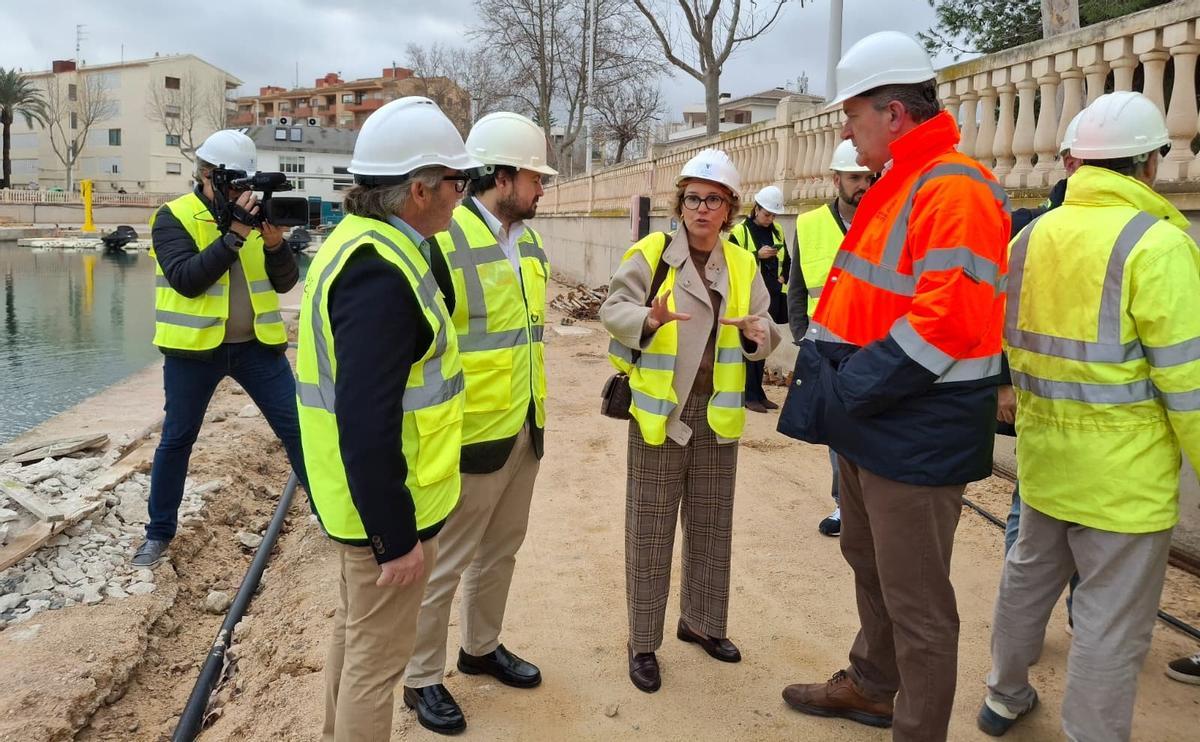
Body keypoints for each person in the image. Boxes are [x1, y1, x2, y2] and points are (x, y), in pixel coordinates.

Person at [777, 31, 1009, 741]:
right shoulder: (901, 181)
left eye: (853, 114)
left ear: (896, 113)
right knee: (868, 561)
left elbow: (946, 320)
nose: (845, 129)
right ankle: (875, 686)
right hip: (875, 418)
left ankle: (914, 726)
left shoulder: (955, 188)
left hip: (915, 426)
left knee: (918, 604)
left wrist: (852, 387)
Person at [978, 91, 1200, 740]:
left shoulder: (1032, 236)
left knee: (1026, 580)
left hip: (1047, 461)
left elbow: (1009, 342)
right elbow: (1188, 380)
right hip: (1124, 484)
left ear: (1077, 160)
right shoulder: (1157, 245)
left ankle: (1003, 695)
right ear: (1150, 164)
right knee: (1110, 624)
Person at [294, 96, 480, 742]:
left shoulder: (371, 245)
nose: (465, 194)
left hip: (359, 504)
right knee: (377, 669)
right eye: (459, 182)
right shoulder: (377, 272)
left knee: (356, 642)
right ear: (420, 190)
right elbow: (366, 425)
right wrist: (395, 538)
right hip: (382, 509)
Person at [601, 148, 780, 694]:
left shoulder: (743, 264)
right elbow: (613, 309)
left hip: (716, 414)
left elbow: (766, 325)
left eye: (714, 200)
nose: (702, 209)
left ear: (729, 209)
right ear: (681, 205)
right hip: (661, 412)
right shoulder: (653, 252)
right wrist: (647, 319)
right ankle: (643, 642)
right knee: (650, 530)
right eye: (694, 199)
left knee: (711, 526)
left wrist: (759, 337)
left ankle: (702, 622)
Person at [402, 112, 556, 735]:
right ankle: (420, 679)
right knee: (446, 564)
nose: (542, 189)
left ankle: (481, 648)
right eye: (533, 177)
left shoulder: (531, 243)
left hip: (524, 426)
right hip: (468, 440)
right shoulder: (442, 242)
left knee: (501, 551)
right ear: (500, 175)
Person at [133, 129, 307, 568]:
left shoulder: (252, 216)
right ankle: (158, 534)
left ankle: (332, 516)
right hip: (193, 353)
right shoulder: (173, 217)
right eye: (232, 184)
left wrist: (273, 244)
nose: (240, 193)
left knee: (300, 431)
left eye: (245, 185)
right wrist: (233, 235)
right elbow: (186, 280)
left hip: (258, 348)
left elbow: (286, 282)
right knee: (176, 440)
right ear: (207, 175)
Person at [786, 139, 873, 537]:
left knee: (873, 430)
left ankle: (870, 506)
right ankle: (845, 506)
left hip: (876, 346)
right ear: (835, 179)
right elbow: (798, 286)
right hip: (827, 347)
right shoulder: (810, 224)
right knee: (837, 433)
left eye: (869, 177)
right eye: (855, 177)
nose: (864, 185)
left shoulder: (889, 219)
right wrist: (802, 335)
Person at [728, 185, 788, 413]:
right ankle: (748, 394)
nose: (770, 218)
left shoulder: (778, 231)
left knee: (764, 343)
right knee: (751, 344)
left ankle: (758, 392)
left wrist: (784, 275)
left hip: (771, 294)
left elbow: (787, 258)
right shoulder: (741, 232)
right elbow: (732, 262)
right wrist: (756, 255)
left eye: (773, 215)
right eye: (767, 214)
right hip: (749, 297)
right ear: (756, 209)